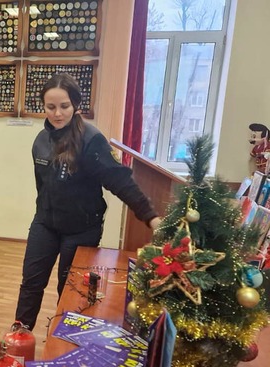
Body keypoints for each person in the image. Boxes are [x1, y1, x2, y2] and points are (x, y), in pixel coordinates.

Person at [14, 73, 161, 330]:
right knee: (31, 283)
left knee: (69, 289)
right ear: (43, 106)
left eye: (64, 106)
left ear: (75, 105)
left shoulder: (92, 140)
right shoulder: (41, 141)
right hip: (45, 224)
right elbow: (43, 187)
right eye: (50, 107)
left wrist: (150, 216)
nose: (57, 113)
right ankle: (19, 335)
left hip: (82, 229)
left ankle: (63, 338)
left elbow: (120, 181)